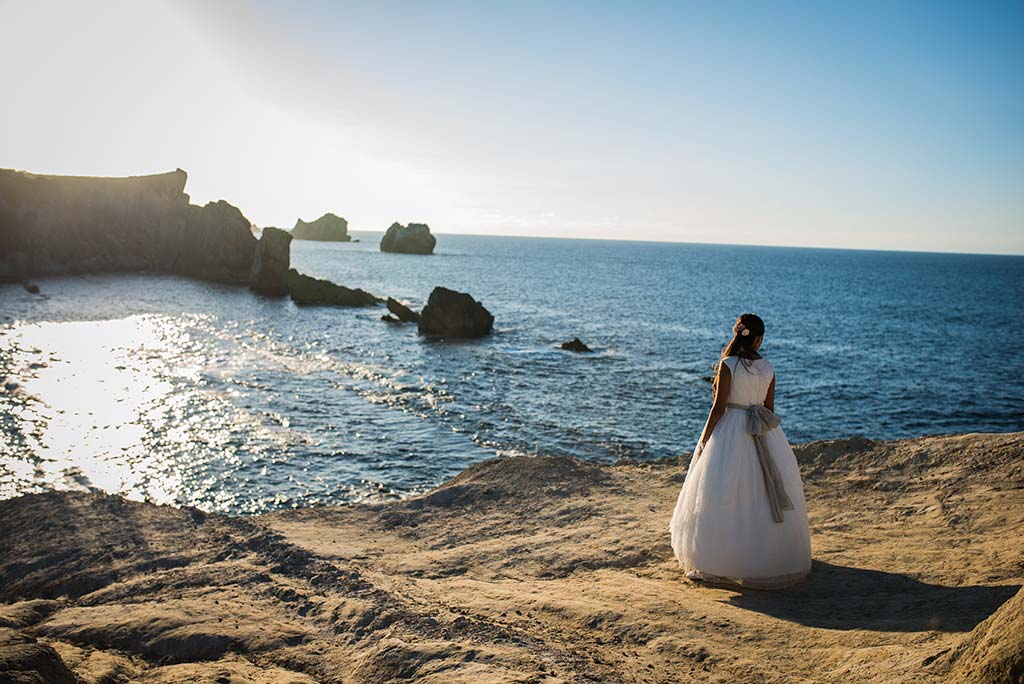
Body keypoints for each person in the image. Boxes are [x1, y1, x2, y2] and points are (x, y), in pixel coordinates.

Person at [669, 313, 812, 589]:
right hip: (762, 431)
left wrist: (704, 440)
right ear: (758, 339)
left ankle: (717, 559)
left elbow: (719, 408)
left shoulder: (728, 365)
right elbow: (768, 410)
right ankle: (765, 556)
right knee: (763, 492)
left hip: (730, 429)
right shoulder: (769, 368)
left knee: (721, 490)